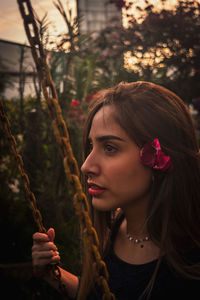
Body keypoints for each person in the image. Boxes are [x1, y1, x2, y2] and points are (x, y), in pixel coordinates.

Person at [32, 81, 200, 300]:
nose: (86, 166)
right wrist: (52, 274)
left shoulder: (191, 259)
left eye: (110, 148)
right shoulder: (115, 228)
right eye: (91, 146)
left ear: (159, 157)